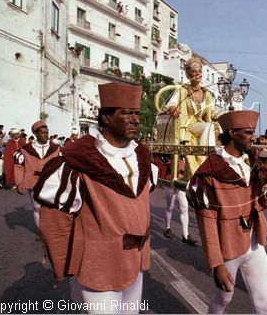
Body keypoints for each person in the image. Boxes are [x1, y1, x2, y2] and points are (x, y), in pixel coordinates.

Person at [33, 83, 156, 313]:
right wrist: (64, 264)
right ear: (106, 117)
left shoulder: (142, 156)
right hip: (100, 265)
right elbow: (54, 220)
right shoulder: (77, 160)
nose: (136, 120)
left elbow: (138, 205)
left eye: (137, 113)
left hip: (136, 262)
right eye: (127, 113)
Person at [187, 110, 267, 314]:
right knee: (223, 299)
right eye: (249, 132)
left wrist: (265, 170)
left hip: (254, 242)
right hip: (228, 246)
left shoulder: (248, 164)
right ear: (233, 133)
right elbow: (206, 221)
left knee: (264, 301)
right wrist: (216, 263)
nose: (254, 137)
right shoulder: (209, 172)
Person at [164, 56, 225, 176]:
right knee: (209, 127)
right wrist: (172, 107)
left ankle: (219, 161)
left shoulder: (206, 93)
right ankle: (205, 164)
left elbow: (211, 111)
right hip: (188, 125)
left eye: (200, 71)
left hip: (202, 124)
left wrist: (225, 114)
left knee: (218, 126)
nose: (198, 74)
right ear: (188, 75)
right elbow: (170, 103)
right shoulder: (182, 90)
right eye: (194, 71)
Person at [14, 121, 60, 234]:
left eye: (47, 132)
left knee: (53, 207)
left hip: (52, 182)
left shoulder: (56, 149)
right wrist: (19, 183)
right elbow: (19, 166)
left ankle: (52, 230)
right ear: (36, 134)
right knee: (37, 207)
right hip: (33, 182)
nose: (45, 135)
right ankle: (40, 231)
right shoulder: (25, 150)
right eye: (42, 133)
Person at [155, 154, 198, 245]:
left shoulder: (185, 156)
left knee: (184, 207)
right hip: (170, 182)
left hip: (181, 182)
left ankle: (186, 235)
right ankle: (168, 228)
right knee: (170, 206)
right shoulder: (168, 156)